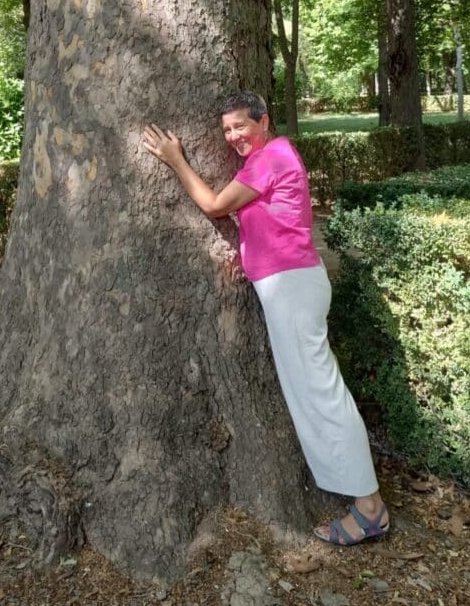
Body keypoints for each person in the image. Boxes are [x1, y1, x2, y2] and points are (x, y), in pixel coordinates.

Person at [142, 91, 389, 546]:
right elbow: (270, 217)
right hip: (288, 283)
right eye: (227, 130)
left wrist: (176, 159)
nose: (233, 136)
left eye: (241, 126)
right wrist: (249, 253)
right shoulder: (272, 156)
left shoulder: (270, 156)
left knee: (321, 394)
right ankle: (364, 501)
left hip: (292, 289)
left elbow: (216, 205)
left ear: (264, 121)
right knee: (312, 392)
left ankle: (371, 508)